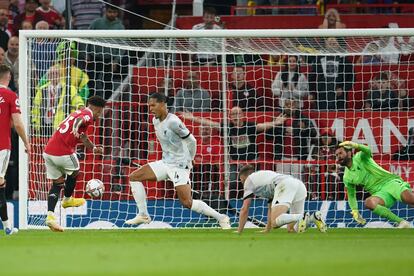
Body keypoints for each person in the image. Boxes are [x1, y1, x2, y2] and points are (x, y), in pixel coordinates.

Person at [125, 93, 231, 229]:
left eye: (153, 105)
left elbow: (191, 140)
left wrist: (190, 159)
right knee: (134, 177)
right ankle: (143, 214)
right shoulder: (155, 120)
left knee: (187, 203)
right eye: (149, 105)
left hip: (179, 166)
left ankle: (221, 217)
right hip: (165, 163)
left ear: (163, 104)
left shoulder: (173, 122)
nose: (150, 109)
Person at [182, 106, 286, 198]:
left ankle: (257, 202)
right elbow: (209, 123)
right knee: (231, 183)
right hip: (234, 163)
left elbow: (263, 126)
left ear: (243, 115)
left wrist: (275, 123)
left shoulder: (249, 126)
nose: (236, 116)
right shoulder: (228, 127)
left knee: (256, 184)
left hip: (251, 162)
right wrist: (193, 118)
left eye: (238, 113)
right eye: (233, 114)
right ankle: (232, 201)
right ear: (230, 117)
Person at [44, 96, 106, 232]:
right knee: (76, 170)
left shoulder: (78, 112)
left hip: (48, 152)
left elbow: (83, 136)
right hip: (63, 151)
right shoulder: (88, 114)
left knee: (57, 183)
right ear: (96, 108)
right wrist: (76, 128)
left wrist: (93, 148)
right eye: (100, 112)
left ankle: (50, 216)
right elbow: (80, 121)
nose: (99, 115)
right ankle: (67, 199)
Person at [335, 141, 414, 228]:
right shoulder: (347, 177)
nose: (339, 156)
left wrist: (356, 145)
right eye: (337, 155)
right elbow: (351, 195)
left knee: (409, 199)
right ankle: (402, 222)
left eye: (341, 153)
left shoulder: (360, 157)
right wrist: (354, 210)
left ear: (349, 153)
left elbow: (367, 150)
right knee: (369, 203)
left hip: (390, 182)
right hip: (380, 193)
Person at [236, 165, 326, 234]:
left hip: (285, 185)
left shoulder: (249, 181)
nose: (242, 183)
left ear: (243, 177)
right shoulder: (263, 178)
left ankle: (301, 216)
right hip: (298, 185)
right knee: (292, 229)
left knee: (275, 222)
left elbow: (245, 208)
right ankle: (313, 218)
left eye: (241, 180)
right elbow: (271, 207)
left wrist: (239, 231)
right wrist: (267, 229)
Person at [0, 64, 30, 235]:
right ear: (9, 77)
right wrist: (26, 142)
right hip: (2, 146)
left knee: (1, 184)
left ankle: (7, 227)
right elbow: (17, 123)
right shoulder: (10, 95)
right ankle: (8, 227)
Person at [32, 65, 85, 136]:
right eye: (51, 74)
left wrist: (80, 105)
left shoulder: (69, 88)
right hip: (44, 125)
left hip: (60, 125)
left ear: (60, 76)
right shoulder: (41, 89)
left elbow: (77, 99)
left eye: (56, 73)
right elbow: (36, 107)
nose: (54, 76)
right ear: (48, 77)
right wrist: (35, 123)